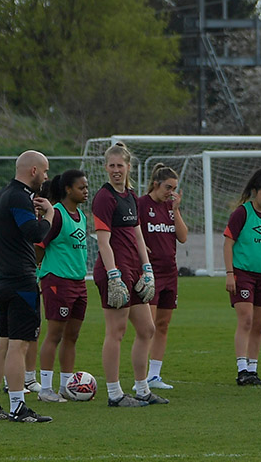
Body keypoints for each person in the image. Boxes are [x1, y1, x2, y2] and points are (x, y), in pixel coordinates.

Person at [0, 150, 55, 423]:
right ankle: (17, 407)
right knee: (19, 346)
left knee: (3, 344)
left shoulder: (1, 195)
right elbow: (34, 234)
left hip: (1, 280)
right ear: (33, 171)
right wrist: (49, 214)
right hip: (20, 280)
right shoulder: (19, 197)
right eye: (45, 171)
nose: (46, 177)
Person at [92, 143, 166, 407]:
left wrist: (147, 269)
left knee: (147, 329)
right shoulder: (104, 197)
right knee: (117, 330)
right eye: (111, 166)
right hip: (115, 271)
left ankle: (142, 388)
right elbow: (103, 242)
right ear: (105, 167)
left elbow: (137, 233)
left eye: (119, 165)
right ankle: (114, 393)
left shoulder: (131, 196)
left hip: (134, 270)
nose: (115, 170)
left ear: (128, 167)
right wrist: (113, 275)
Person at [35, 169, 91, 404]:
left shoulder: (81, 215)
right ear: (68, 189)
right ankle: (45, 388)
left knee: (73, 336)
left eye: (87, 187)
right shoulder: (56, 215)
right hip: (57, 280)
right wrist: (38, 271)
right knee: (55, 334)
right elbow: (39, 245)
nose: (86, 191)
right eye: (82, 187)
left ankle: (67, 386)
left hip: (78, 282)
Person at [223, 168, 261, 387]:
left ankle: (253, 370)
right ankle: (242, 370)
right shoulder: (242, 213)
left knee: (259, 324)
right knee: (246, 320)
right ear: (254, 192)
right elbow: (228, 243)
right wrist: (230, 273)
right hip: (243, 274)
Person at [138, 163, 187, 391]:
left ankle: (154, 375)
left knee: (163, 325)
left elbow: (183, 237)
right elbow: (130, 231)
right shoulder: (141, 205)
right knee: (149, 326)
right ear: (156, 184)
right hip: (151, 273)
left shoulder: (170, 207)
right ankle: (141, 377)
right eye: (168, 187)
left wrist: (176, 209)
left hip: (170, 273)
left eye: (175, 188)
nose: (171, 192)